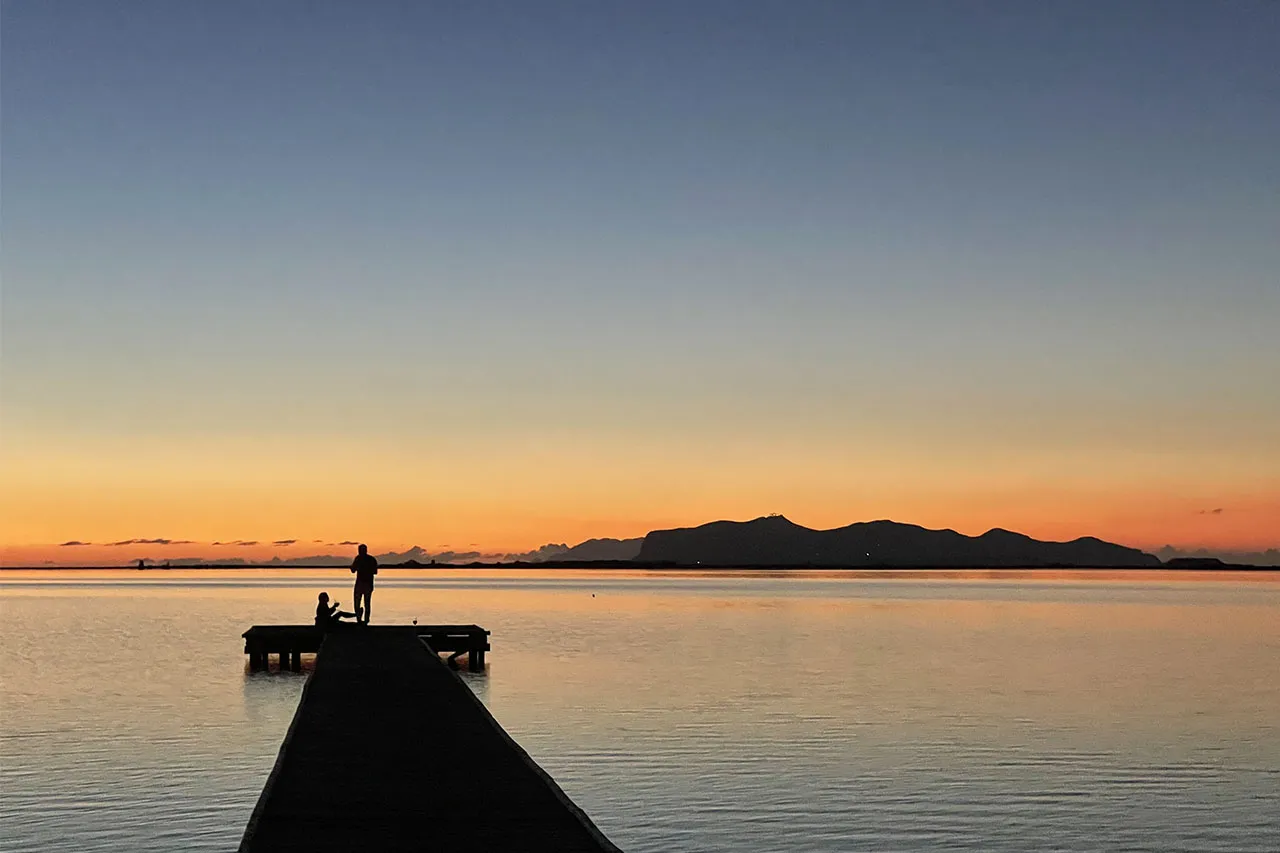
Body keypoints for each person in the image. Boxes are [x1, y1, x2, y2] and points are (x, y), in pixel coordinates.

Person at [350, 543, 378, 624]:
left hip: (362, 584)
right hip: (367, 584)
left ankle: (360, 619)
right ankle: (364, 620)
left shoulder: (358, 559)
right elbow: (375, 572)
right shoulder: (371, 559)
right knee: (366, 603)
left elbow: (353, 570)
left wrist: (360, 568)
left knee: (358, 603)